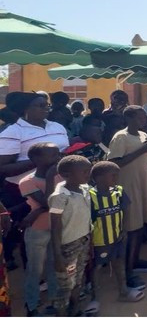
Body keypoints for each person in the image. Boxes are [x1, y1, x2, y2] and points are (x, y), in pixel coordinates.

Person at [0, 92, 70, 270]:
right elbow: (3, 168)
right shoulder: (13, 132)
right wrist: (40, 161)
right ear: (26, 109)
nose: (46, 108)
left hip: (60, 185)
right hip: (25, 191)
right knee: (33, 234)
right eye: (40, 105)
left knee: (60, 229)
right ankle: (34, 277)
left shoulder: (57, 127)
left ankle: (58, 272)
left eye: (46, 104)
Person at [107, 106, 147, 290]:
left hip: (144, 184)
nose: (143, 120)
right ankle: (127, 273)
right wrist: (141, 150)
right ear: (129, 118)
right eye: (140, 117)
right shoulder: (121, 137)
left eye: (144, 117)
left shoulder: (143, 135)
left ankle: (135, 261)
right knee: (131, 230)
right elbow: (113, 163)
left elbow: (146, 158)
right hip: (129, 188)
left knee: (141, 227)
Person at [88, 161, 144, 307]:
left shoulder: (118, 191)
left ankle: (123, 290)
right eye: (112, 175)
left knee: (119, 263)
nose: (116, 178)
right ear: (98, 177)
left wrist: (124, 229)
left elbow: (125, 210)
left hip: (118, 237)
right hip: (100, 240)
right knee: (97, 268)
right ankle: (94, 297)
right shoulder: (90, 196)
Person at [19, 143, 61, 316]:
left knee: (54, 266)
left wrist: (36, 212)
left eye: (58, 154)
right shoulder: (27, 182)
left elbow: (62, 201)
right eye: (52, 155)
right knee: (35, 270)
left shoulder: (60, 176)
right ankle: (31, 305)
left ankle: (54, 301)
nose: (57, 158)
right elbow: (49, 202)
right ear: (36, 159)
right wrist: (50, 179)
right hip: (38, 231)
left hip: (56, 229)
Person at [48, 155, 92, 317]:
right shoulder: (60, 196)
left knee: (78, 280)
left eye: (89, 170)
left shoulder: (84, 188)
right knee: (66, 285)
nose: (88, 174)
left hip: (83, 241)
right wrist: (58, 255)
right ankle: (62, 313)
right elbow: (55, 226)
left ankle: (75, 311)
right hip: (68, 247)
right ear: (67, 174)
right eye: (84, 172)